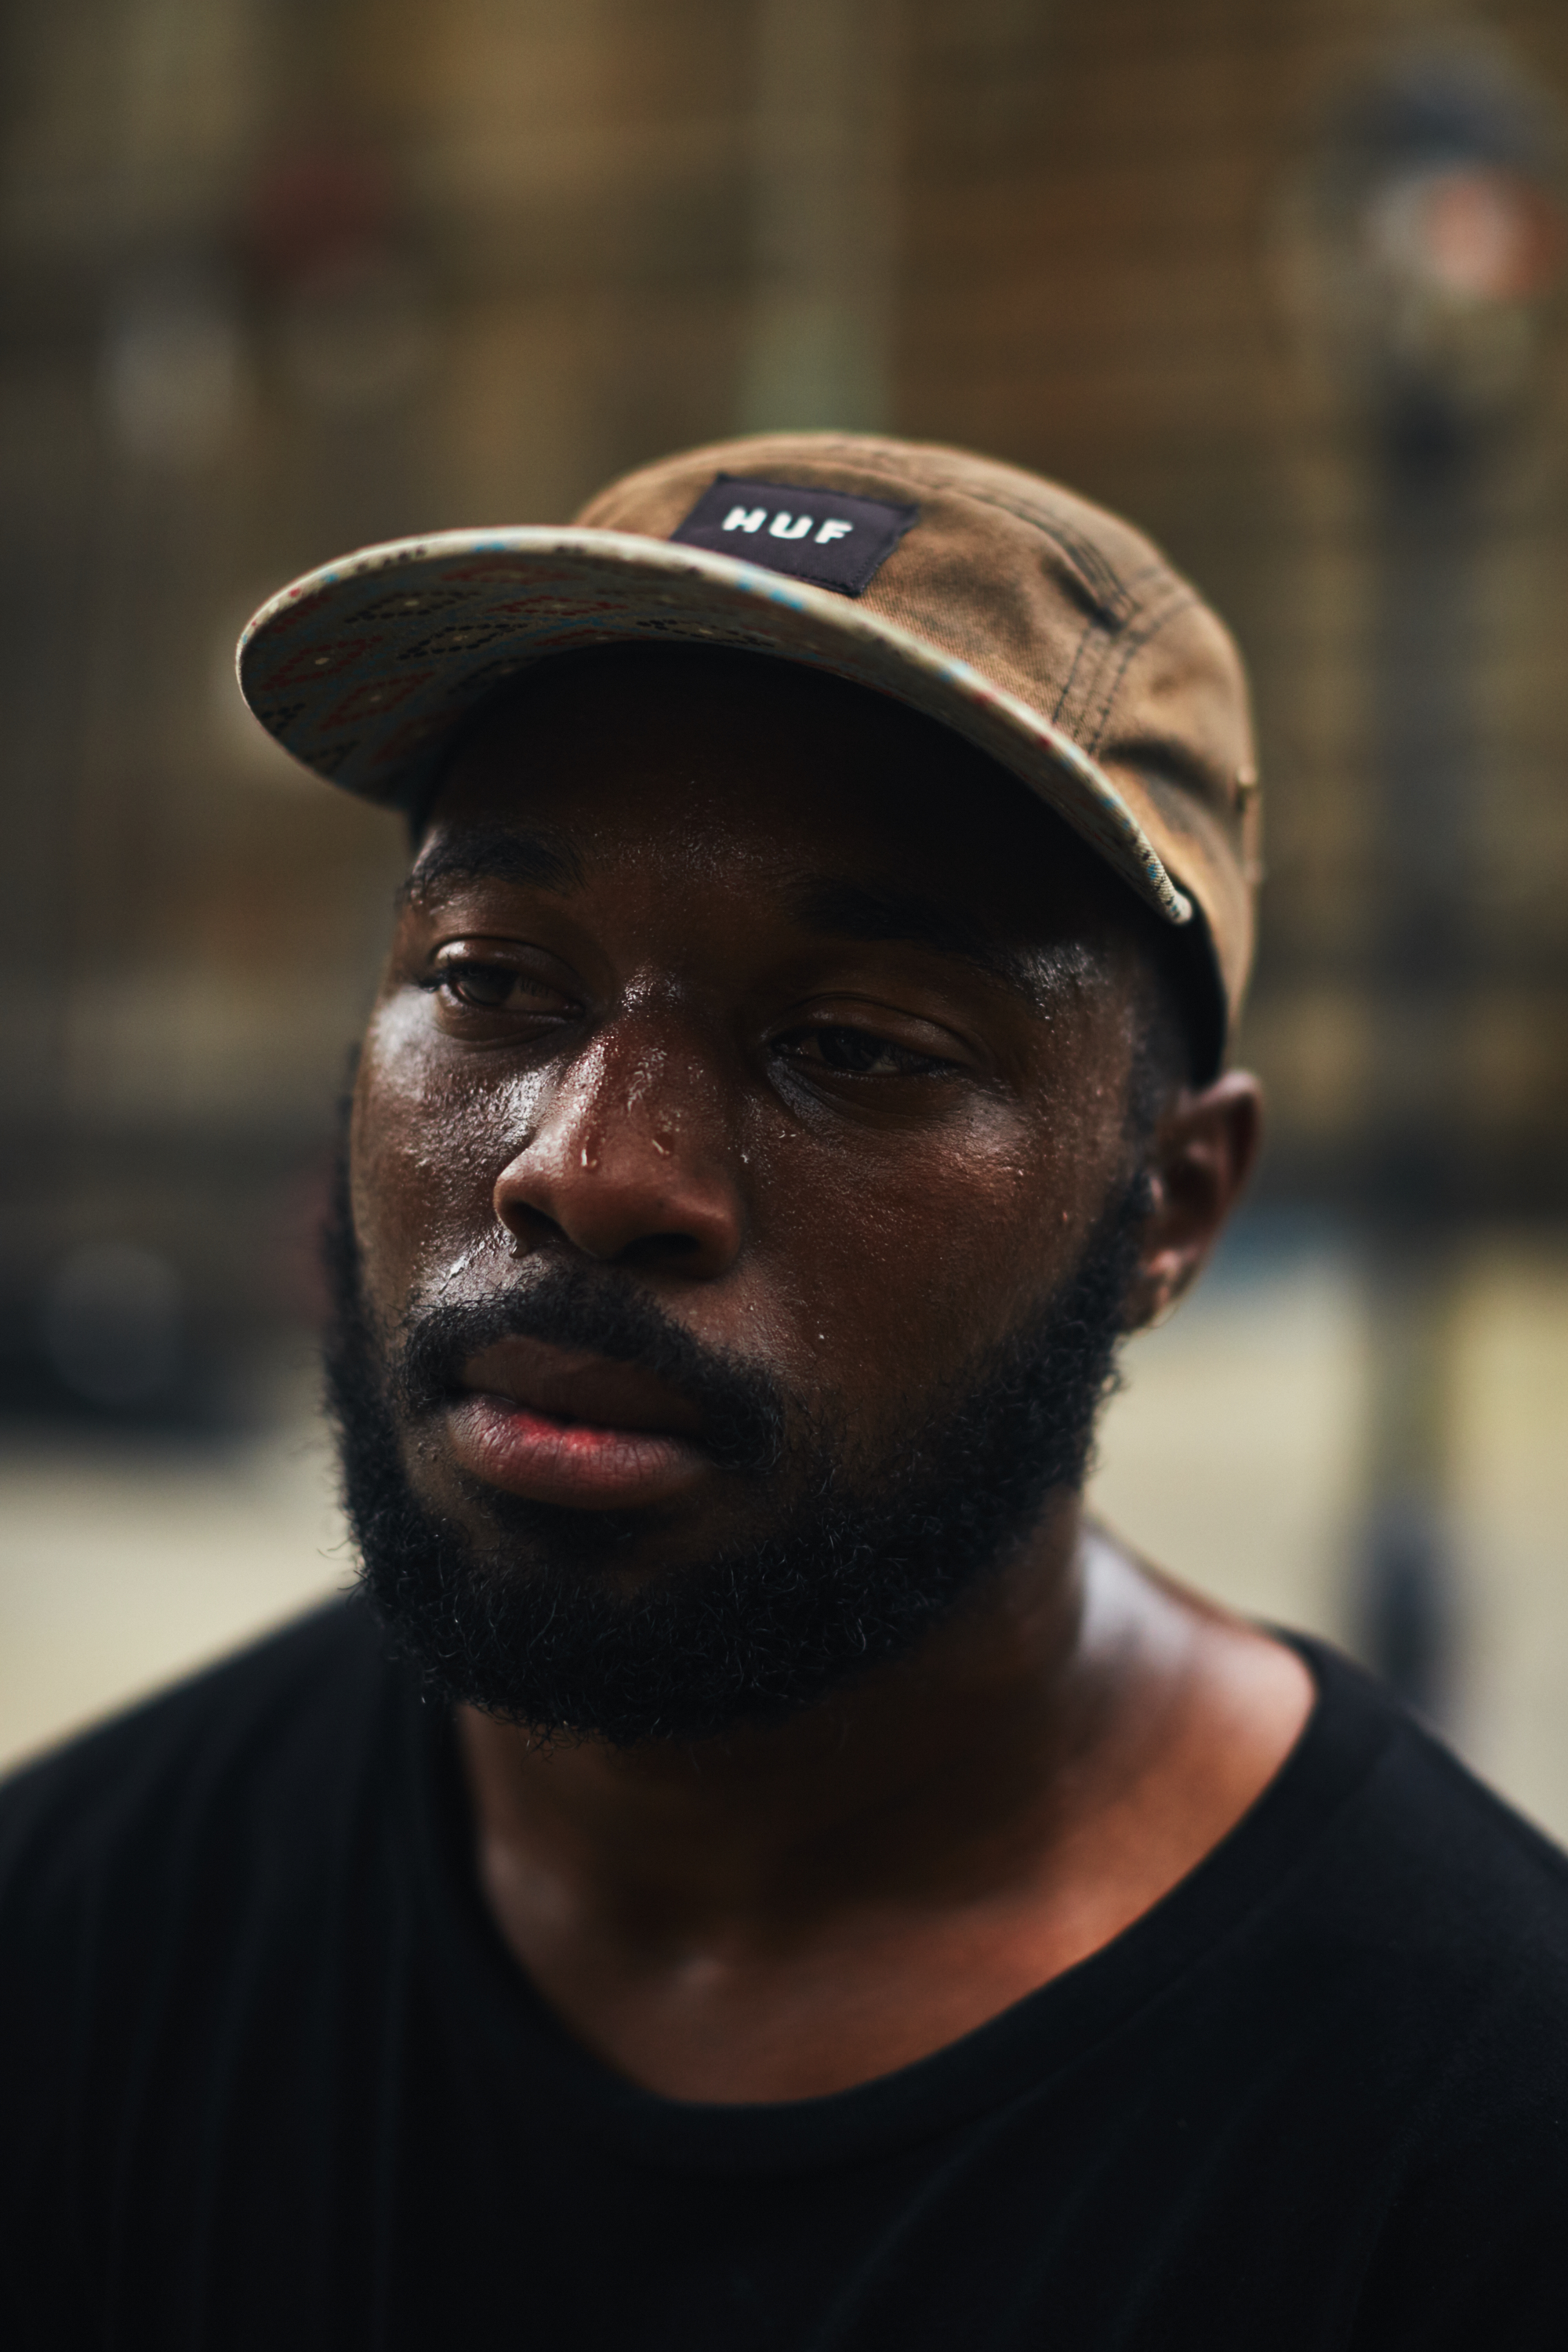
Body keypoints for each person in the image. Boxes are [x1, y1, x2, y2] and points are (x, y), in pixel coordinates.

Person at [3, 434, 1565, 2350]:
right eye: (493, 978)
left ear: (1168, 1205)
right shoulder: (82, 1926)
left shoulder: (1471, 2148)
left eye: (851, 1044)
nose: (587, 1166)